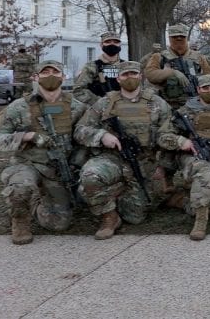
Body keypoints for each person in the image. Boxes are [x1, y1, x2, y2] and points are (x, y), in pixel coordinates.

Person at [0, 60, 88, 244]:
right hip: (28, 165)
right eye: (45, 72)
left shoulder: (77, 107)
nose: (50, 75)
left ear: (63, 77)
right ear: (35, 77)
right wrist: (27, 136)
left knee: (58, 223)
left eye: (55, 72)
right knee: (20, 188)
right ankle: (19, 220)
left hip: (57, 170)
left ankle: (35, 201)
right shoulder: (19, 107)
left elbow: (86, 137)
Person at [74, 61, 175, 240]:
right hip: (112, 159)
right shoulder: (105, 103)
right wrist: (102, 135)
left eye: (133, 74)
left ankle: (116, 191)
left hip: (144, 162)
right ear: (118, 78)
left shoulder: (157, 103)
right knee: (91, 176)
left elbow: (168, 135)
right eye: (125, 75)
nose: (130, 78)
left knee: (135, 217)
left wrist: (163, 167)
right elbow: (80, 130)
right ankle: (109, 216)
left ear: (140, 77)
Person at [165, 74, 210, 240]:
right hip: (189, 160)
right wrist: (180, 140)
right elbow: (164, 136)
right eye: (205, 87)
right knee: (205, 170)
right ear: (198, 89)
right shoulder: (184, 112)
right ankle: (200, 223)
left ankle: (179, 199)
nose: (209, 91)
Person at [144, 23, 210, 110]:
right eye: (175, 37)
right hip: (168, 105)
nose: (179, 39)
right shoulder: (159, 57)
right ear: (169, 38)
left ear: (186, 38)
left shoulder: (198, 57)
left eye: (182, 37)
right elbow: (150, 74)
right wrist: (172, 72)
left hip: (195, 104)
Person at [73, 32, 124, 106]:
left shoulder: (126, 66)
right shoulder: (91, 67)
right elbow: (78, 91)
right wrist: (99, 102)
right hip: (98, 112)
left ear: (120, 45)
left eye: (116, 42)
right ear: (101, 45)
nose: (112, 44)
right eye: (108, 42)